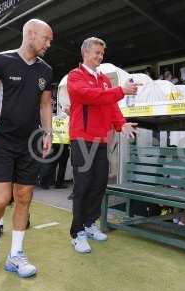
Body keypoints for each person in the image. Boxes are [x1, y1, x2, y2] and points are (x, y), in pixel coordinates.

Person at [0, 19, 53, 278]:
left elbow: (45, 105)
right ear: (30, 34)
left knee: (24, 196)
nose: (48, 44)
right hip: (2, 141)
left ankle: (15, 255)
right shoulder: (1, 60)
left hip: (29, 143)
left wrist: (47, 132)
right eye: (46, 38)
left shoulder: (46, 70)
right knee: (0, 198)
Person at [67, 37, 138, 253]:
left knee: (99, 183)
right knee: (83, 186)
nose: (100, 56)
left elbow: (111, 106)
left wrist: (121, 124)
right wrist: (121, 91)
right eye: (96, 52)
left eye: (102, 53)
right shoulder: (75, 76)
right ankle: (77, 232)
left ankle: (89, 224)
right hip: (81, 138)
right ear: (85, 53)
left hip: (100, 140)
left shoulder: (105, 80)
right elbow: (90, 96)